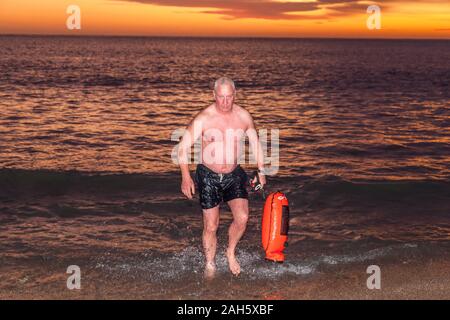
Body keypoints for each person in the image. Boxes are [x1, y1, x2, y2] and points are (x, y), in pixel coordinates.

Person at [177, 77, 266, 278]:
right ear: (213, 95)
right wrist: (185, 176)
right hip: (208, 176)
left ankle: (230, 251)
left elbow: (256, 145)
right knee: (211, 225)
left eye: (229, 97)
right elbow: (182, 148)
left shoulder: (244, 116)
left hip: (234, 174)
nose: (225, 102)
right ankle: (210, 263)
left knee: (242, 218)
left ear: (235, 95)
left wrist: (261, 171)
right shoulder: (204, 118)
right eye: (221, 97)